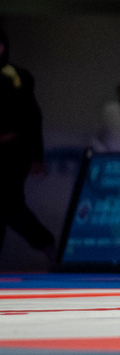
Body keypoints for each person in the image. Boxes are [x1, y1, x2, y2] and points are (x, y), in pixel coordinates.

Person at [0, 28, 56, 263]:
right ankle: (47, 245)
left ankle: (47, 245)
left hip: (12, 154)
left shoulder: (16, 76)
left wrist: (36, 157)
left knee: (10, 205)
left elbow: (32, 117)